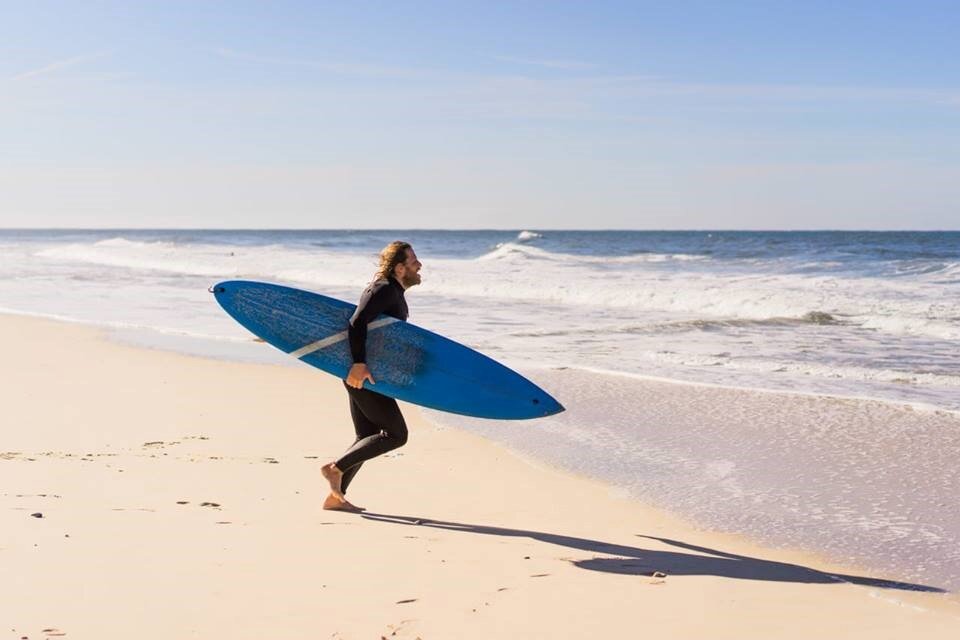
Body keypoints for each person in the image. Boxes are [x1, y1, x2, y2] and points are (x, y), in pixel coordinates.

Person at [320, 241, 422, 511]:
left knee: (367, 434)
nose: (419, 265)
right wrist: (358, 364)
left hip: (369, 373)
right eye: (413, 261)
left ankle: (336, 497)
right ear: (400, 268)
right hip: (364, 373)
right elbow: (357, 322)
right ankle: (335, 468)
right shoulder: (384, 289)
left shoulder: (394, 292)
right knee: (396, 435)